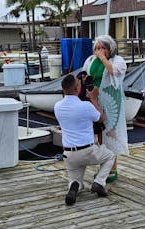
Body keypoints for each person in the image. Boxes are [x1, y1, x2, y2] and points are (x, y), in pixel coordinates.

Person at [54, 74, 115, 206]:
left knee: (76, 180)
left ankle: (74, 186)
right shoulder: (86, 106)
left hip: (69, 154)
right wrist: (93, 99)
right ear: (77, 89)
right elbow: (100, 118)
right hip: (88, 151)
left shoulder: (57, 107)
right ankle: (99, 182)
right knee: (110, 156)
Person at [83, 35, 129, 183]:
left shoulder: (117, 61)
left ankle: (112, 169)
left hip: (110, 102)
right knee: (99, 134)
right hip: (95, 100)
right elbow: (86, 75)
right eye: (97, 48)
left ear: (110, 49)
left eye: (103, 48)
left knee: (110, 134)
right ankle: (103, 168)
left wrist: (103, 58)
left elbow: (113, 72)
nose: (99, 51)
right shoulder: (90, 61)